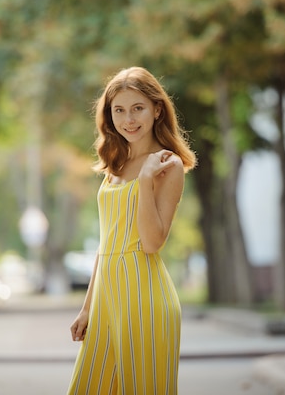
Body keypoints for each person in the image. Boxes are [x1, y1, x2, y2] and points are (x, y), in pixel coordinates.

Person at [67, 66, 196, 395]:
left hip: (146, 300)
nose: (129, 119)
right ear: (109, 116)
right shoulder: (115, 163)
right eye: (119, 111)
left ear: (156, 108)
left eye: (137, 108)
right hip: (106, 301)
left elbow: (152, 243)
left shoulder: (169, 166)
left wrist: (145, 181)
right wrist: (87, 308)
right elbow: (106, 242)